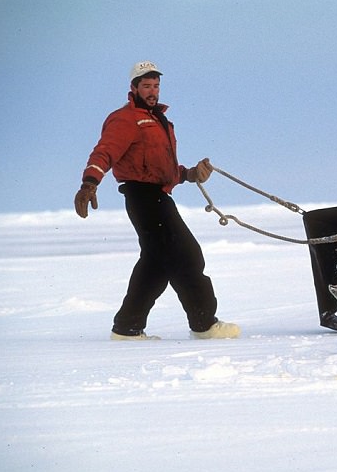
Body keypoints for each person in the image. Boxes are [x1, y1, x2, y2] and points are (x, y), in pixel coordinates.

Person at [74, 60, 240, 340]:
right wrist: (90, 182)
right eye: (146, 86)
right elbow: (105, 152)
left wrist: (189, 174)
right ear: (134, 88)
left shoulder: (157, 120)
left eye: (156, 86)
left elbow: (160, 168)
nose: (152, 91)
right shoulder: (125, 119)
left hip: (157, 196)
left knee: (156, 264)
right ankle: (204, 325)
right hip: (143, 198)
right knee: (186, 255)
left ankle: (127, 327)